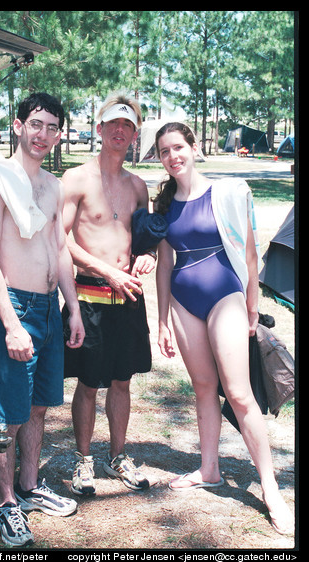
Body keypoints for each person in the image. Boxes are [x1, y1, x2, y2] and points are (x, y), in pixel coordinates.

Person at [154, 122, 294, 536]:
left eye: (178, 147)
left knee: (237, 391)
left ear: (193, 148)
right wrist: (162, 318)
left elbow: (250, 255)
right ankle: (209, 468)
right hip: (183, 300)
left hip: (224, 295)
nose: (173, 156)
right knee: (202, 387)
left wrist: (252, 308)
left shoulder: (227, 193)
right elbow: (164, 264)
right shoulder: (164, 204)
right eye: (165, 151)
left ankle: (271, 490)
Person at [0, 93, 85, 547]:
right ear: (17, 125)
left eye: (52, 127)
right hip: (14, 307)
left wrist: (72, 307)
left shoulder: (53, 185)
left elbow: (60, 249)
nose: (43, 135)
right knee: (5, 412)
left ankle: (30, 487)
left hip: (49, 308)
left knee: (37, 405)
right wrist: (11, 323)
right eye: (36, 124)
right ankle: (7, 503)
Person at [61, 93, 155, 496]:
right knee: (88, 382)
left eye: (128, 125)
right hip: (90, 296)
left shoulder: (138, 186)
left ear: (134, 135)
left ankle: (117, 455)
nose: (120, 130)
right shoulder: (77, 178)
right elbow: (59, 237)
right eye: (113, 123)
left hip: (129, 299)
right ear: (99, 129)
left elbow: (146, 238)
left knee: (122, 381)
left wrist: (147, 255)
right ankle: (83, 461)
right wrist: (103, 270)